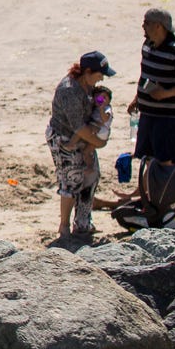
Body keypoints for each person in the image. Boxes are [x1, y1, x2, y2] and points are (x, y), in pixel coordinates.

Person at [129, 7, 175, 185]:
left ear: (159, 26)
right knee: (148, 158)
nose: (143, 26)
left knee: (165, 161)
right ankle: (150, 197)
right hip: (148, 113)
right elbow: (145, 76)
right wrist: (137, 98)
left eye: (147, 22)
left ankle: (162, 197)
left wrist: (167, 93)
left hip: (168, 117)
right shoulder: (148, 46)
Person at [48, 53, 115, 237]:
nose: (101, 78)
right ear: (87, 72)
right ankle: (64, 227)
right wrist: (99, 143)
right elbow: (78, 127)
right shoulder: (69, 90)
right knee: (71, 180)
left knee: (91, 175)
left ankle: (83, 223)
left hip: (85, 137)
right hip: (63, 138)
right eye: (99, 74)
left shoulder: (90, 88)